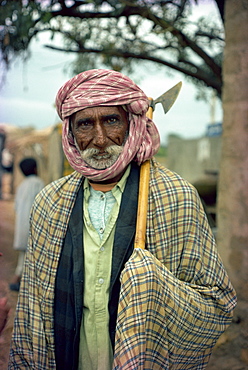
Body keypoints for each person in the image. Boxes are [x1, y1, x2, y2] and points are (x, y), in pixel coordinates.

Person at [9, 69, 237, 370]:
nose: (100, 139)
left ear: (132, 124)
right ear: (71, 133)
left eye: (111, 120)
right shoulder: (50, 202)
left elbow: (217, 305)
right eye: (85, 124)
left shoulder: (176, 196)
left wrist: (152, 283)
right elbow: (31, 310)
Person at [9, 158, 44, 292]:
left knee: (24, 256)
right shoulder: (38, 183)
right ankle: (18, 281)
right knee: (30, 256)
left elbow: (16, 207)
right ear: (35, 168)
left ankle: (19, 281)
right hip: (33, 225)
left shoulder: (22, 185)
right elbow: (42, 203)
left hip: (21, 225)